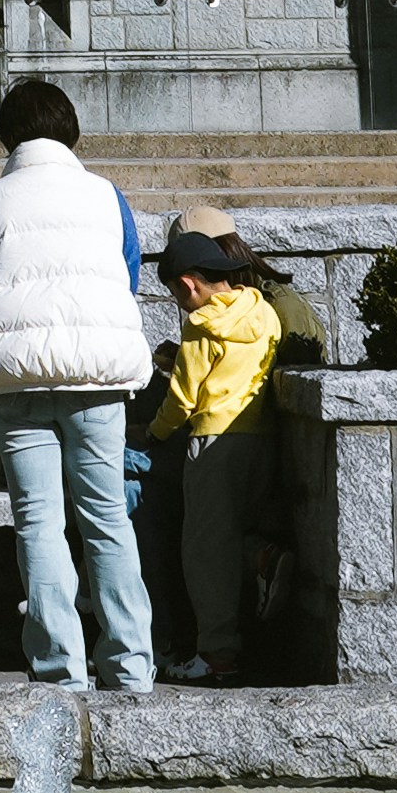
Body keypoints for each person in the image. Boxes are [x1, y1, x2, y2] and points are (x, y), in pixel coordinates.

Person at [0, 74, 158, 689]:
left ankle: (60, 671)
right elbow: (127, 277)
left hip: (14, 379)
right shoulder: (107, 195)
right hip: (96, 375)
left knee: (38, 524)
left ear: (7, 135)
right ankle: (130, 667)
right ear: (71, 131)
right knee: (107, 518)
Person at [142, 226, 285, 682]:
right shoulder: (262, 312)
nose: (179, 304)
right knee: (237, 531)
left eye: (176, 294)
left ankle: (217, 656)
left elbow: (183, 400)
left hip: (212, 444)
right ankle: (262, 557)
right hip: (259, 437)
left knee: (205, 552)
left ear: (189, 284)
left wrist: (154, 432)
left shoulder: (201, 326)